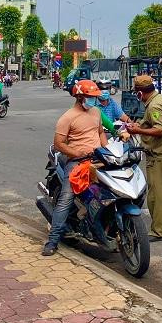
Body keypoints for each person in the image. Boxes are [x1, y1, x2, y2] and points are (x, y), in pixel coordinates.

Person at [41, 79, 108, 256]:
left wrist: (106, 149)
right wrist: (76, 153)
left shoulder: (96, 112)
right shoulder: (67, 117)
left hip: (98, 159)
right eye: (90, 97)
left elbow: (100, 132)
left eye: (94, 97)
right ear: (80, 97)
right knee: (66, 199)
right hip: (77, 162)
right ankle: (53, 241)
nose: (93, 100)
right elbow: (58, 144)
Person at [127, 74, 162, 242]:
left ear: (140, 93)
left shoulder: (154, 106)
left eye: (137, 93)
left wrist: (138, 131)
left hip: (160, 155)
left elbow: (161, 129)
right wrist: (140, 124)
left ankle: (158, 231)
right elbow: (154, 123)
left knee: (156, 196)